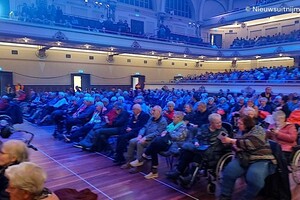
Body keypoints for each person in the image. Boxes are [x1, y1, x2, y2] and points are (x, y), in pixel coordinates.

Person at [219, 115, 276, 200]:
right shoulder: (240, 132)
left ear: (247, 124)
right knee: (229, 172)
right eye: (238, 123)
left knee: (255, 180)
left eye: (240, 123)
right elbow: (238, 146)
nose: (238, 125)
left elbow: (252, 144)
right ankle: (225, 196)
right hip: (244, 157)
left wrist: (232, 141)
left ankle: (246, 198)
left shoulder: (258, 129)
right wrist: (230, 143)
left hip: (261, 158)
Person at [166, 113, 228, 180]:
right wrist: (196, 142)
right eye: (217, 123)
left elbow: (221, 145)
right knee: (187, 152)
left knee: (195, 152)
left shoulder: (223, 132)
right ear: (211, 123)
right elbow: (196, 137)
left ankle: (191, 177)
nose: (220, 124)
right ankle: (178, 171)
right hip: (200, 148)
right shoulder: (204, 127)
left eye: (220, 122)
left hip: (212, 152)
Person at [130, 111, 188, 179]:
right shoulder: (173, 124)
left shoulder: (183, 127)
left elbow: (177, 137)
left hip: (173, 145)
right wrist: (165, 132)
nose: (172, 118)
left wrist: (167, 133)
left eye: (174, 117)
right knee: (154, 147)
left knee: (155, 143)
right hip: (165, 142)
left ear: (179, 118)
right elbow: (166, 131)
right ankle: (153, 172)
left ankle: (142, 160)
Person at [121, 105, 167, 173]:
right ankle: (129, 161)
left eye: (154, 110)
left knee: (140, 143)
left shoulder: (163, 121)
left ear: (159, 112)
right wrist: (140, 135)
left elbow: (157, 133)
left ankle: (139, 165)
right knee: (132, 141)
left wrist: (146, 137)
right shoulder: (151, 118)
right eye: (152, 110)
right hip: (144, 136)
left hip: (153, 140)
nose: (152, 112)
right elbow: (144, 127)